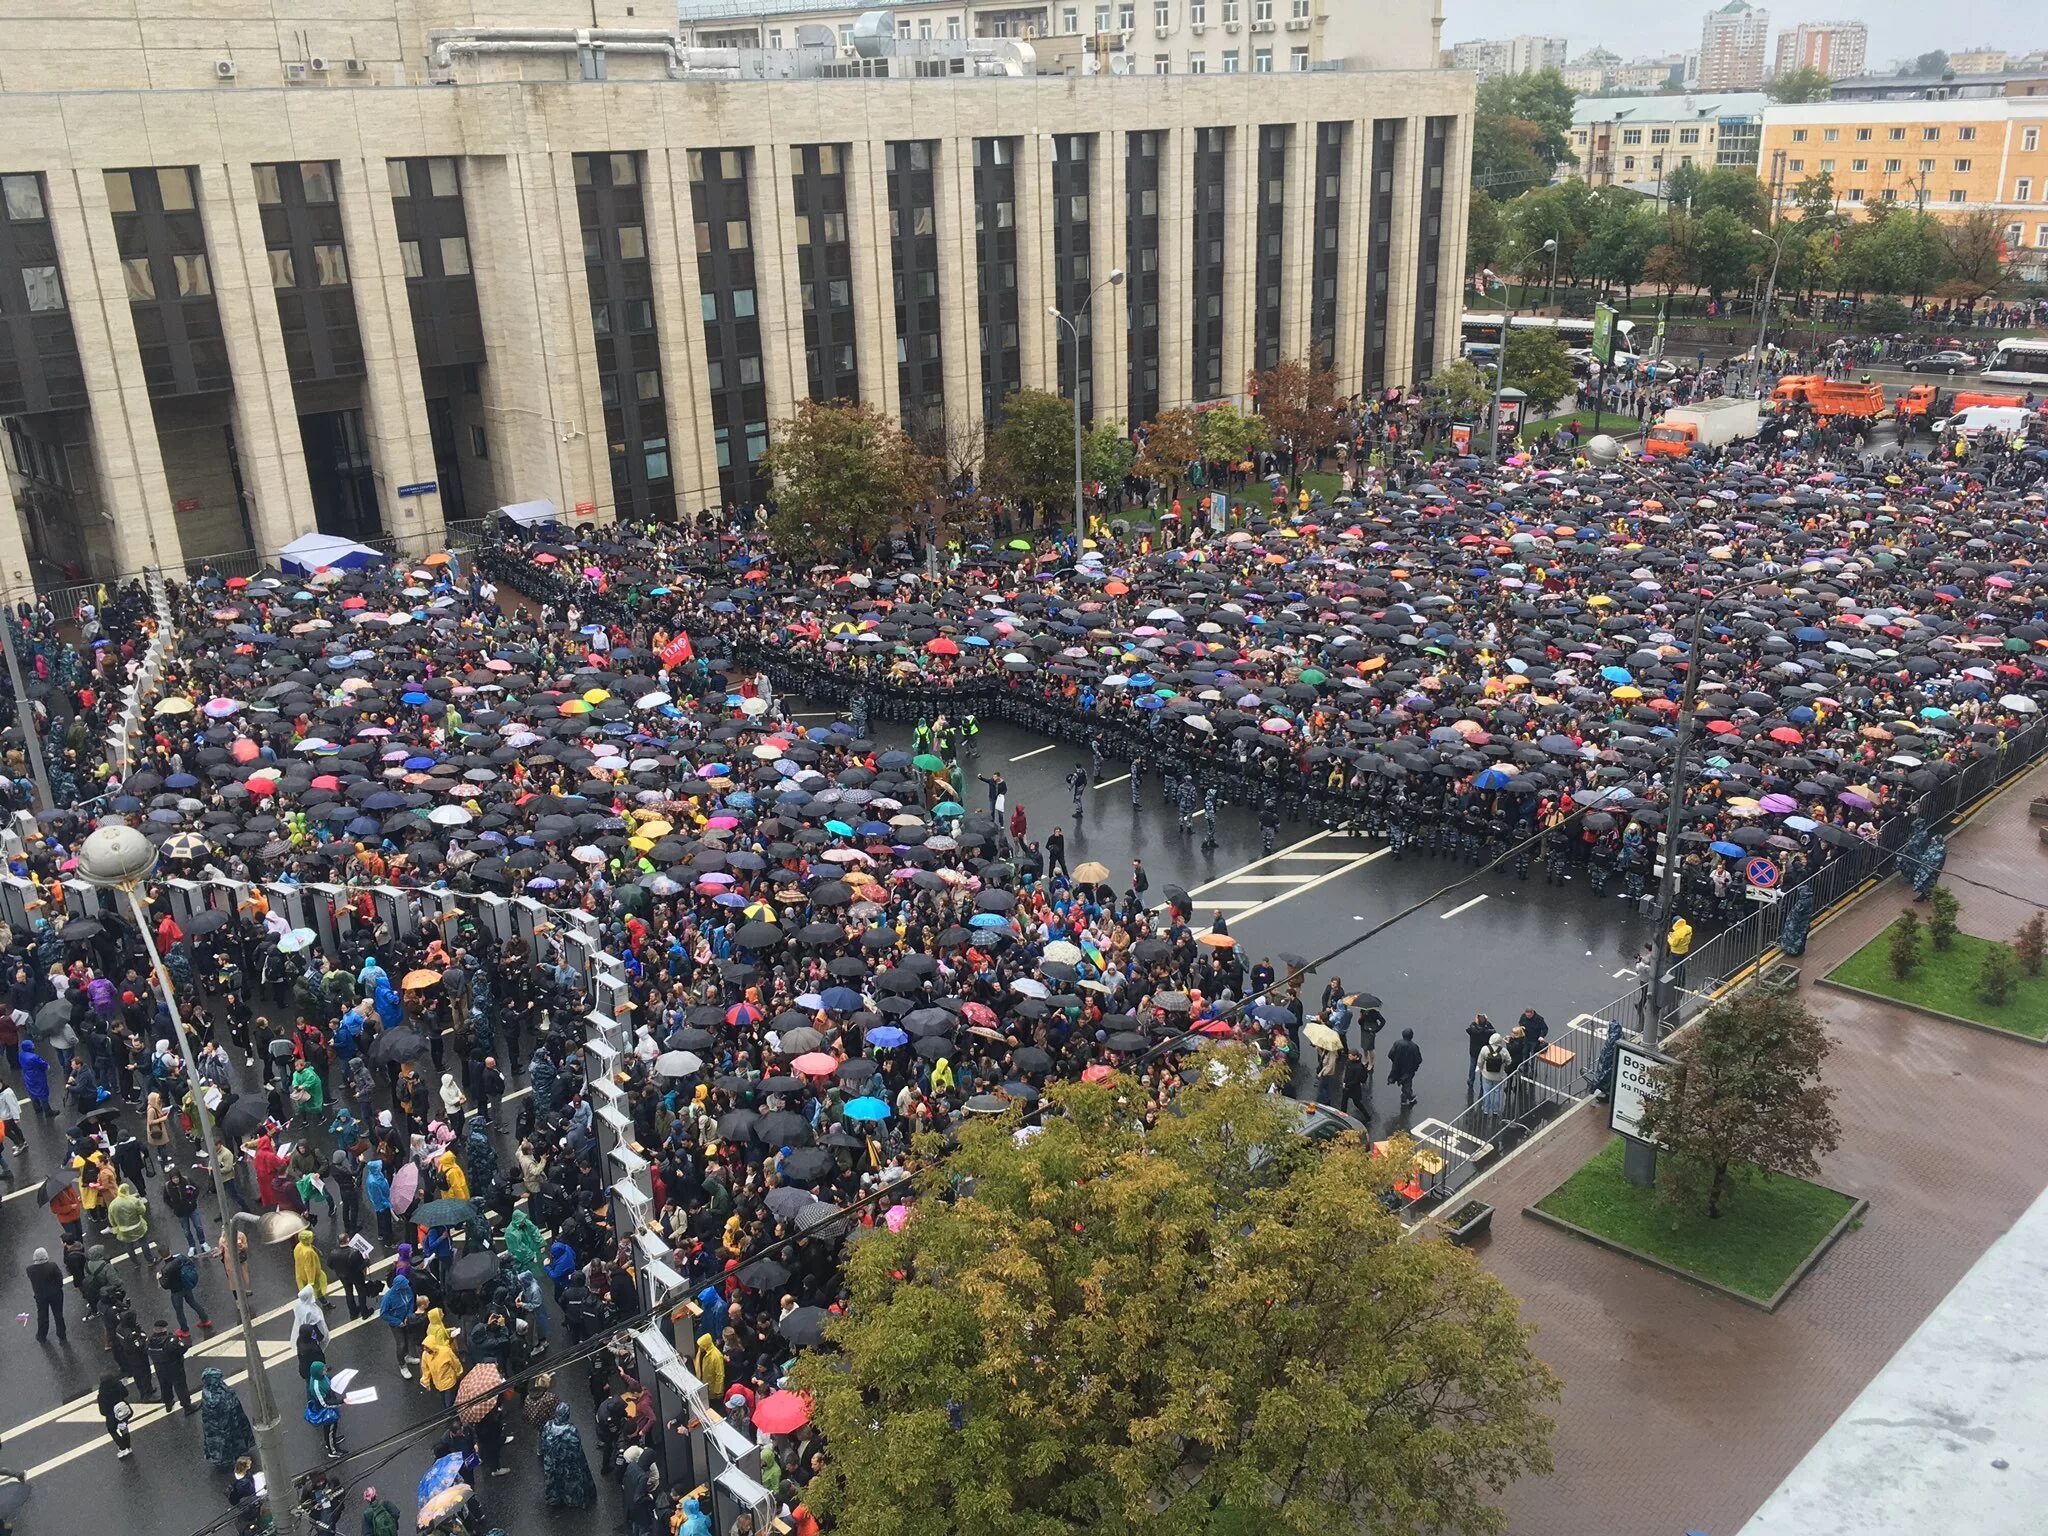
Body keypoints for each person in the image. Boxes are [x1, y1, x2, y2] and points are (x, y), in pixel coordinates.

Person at [538, 1402, 597, 1509]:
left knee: (555, 1481)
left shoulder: (548, 1425)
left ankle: (555, 1500)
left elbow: (543, 1442)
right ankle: (573, 1501)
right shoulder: (570, 1429)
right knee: (571, 1482)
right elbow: (576, 1447)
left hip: (552, 1462)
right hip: (568, 1463)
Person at [201, 1366, 257, 1470]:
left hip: (233, 1420)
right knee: (223, 1444)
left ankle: (238, 1454)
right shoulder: (211, 1397)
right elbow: (219, 1411)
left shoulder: (219, 1388)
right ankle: (225, 1461)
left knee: (235, 1439)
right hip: (222, 1427)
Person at [147, 1317, 195, 1413]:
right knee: (180, 1386)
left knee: (165, 1385)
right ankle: (187, 1407)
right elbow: (183, 1348)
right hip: (174, 1367)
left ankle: (168, 1404)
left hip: (159, 1367)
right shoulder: (170, 1341)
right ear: (164, 1329)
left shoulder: (150, 1341)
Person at [379, 1265, 419, 1377]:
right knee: (401, 1344)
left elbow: (411, 1302)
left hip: (406, 1320)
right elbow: (383, 1314)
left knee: (407, 1340)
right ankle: (402, 1365)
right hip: (396, 1324)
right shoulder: (388, 1298)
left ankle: (407, 1356)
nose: (407, 1286)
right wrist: (398, 1322)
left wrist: (408, 1316)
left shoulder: (407, 1290)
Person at [419, 1306, 464, 1407]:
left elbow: (455, 1363)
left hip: (448, 1381)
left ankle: (451, 1415)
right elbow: (425, 1368)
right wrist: (426, 1381)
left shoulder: (444, 1351)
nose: (425, 1349)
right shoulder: (426, 1355)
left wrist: (459, 1373)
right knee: (446, 1401)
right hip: (439, 1382)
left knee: (448, 1402)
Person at [304, 1359, 345, 1458]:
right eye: (323, 1369)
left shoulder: (320, 1377)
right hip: (326, 1411)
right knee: (330, 1428)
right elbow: (324, 1403)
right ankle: (332, 1451)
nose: (325, 1370)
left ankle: (331, 1441)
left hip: (330, 1404)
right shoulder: (316, 1386)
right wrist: (341, 1401)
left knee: (332, 1428)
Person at [25, 1245, 66, 1343]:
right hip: (55, 1294)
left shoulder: (30, 1269)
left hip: (40, 1296)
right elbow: (59, 1279)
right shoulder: (52, 1266)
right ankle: (61, 1334)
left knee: (42, 1315)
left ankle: (41, 1335)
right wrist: (57, 1288)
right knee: (58, 1314)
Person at [97, 1371, 134, 1459]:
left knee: (112, 1431)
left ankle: (122, 1447)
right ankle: (128, 1446)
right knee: (124, 1428)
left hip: (111, 1416)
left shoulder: (102, 1394)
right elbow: (126, 1393)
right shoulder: (118, 1385)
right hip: (122, 1411)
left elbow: (103, 1411)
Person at [1386, 1028, 1422, 1109]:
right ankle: (1407, 1098)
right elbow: (1418, 1060)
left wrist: (1395, 1061)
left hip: (1397, 1068)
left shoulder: (1397, 1043)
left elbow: (1390, 1055)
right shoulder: (1414, 1047)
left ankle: (1405, 1098)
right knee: (1407, 1084)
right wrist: (1414, 1067)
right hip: (1408, 1070)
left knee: (1403, 1083)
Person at [1464, 1014, 1494, 1097]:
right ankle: (1482, 1082)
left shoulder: (1473, 1028)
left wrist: (1475, 1024)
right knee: (1483, 1067)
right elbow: (1493, 1032)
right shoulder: (1487, 1028)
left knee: (1472, 1066)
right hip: (1483, 1051)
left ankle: (1471, 1081)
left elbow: (1468, 1030)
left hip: (1474, 1051)